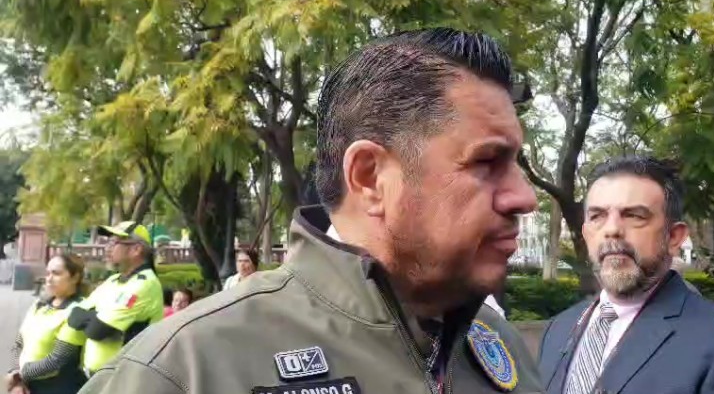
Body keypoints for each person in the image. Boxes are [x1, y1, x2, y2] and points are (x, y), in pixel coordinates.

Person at [78, 28, 543, 393]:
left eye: (516, 165)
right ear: (369, 177)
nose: (525, 197)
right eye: (487, 162)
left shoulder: (499, 346)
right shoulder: (183, 370)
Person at [537, 156, 714, 393]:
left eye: (634, 216)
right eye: (597, 216)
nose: (612, 230)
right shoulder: (558, 329)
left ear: (674, 237)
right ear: (586, 234)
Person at [62, 221, 164, 376]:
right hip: (97, 375)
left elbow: (97, 330)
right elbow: (74, 316)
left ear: (136, 249)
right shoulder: (114, 280)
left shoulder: (144, 284)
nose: (106, 248)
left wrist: (92, 317)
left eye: (113, 243)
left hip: (122, 377)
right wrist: (95, 318)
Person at [5, 255, 88, 394]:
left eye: (56, 273)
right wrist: (16, 375)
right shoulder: (40, 305)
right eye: (48, 273)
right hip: (27, 384)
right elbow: (19, 343)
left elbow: (57, 360)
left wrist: (18, 376)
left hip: (57, 387)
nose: (49, 279)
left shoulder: (79, 310)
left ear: (75, 277)